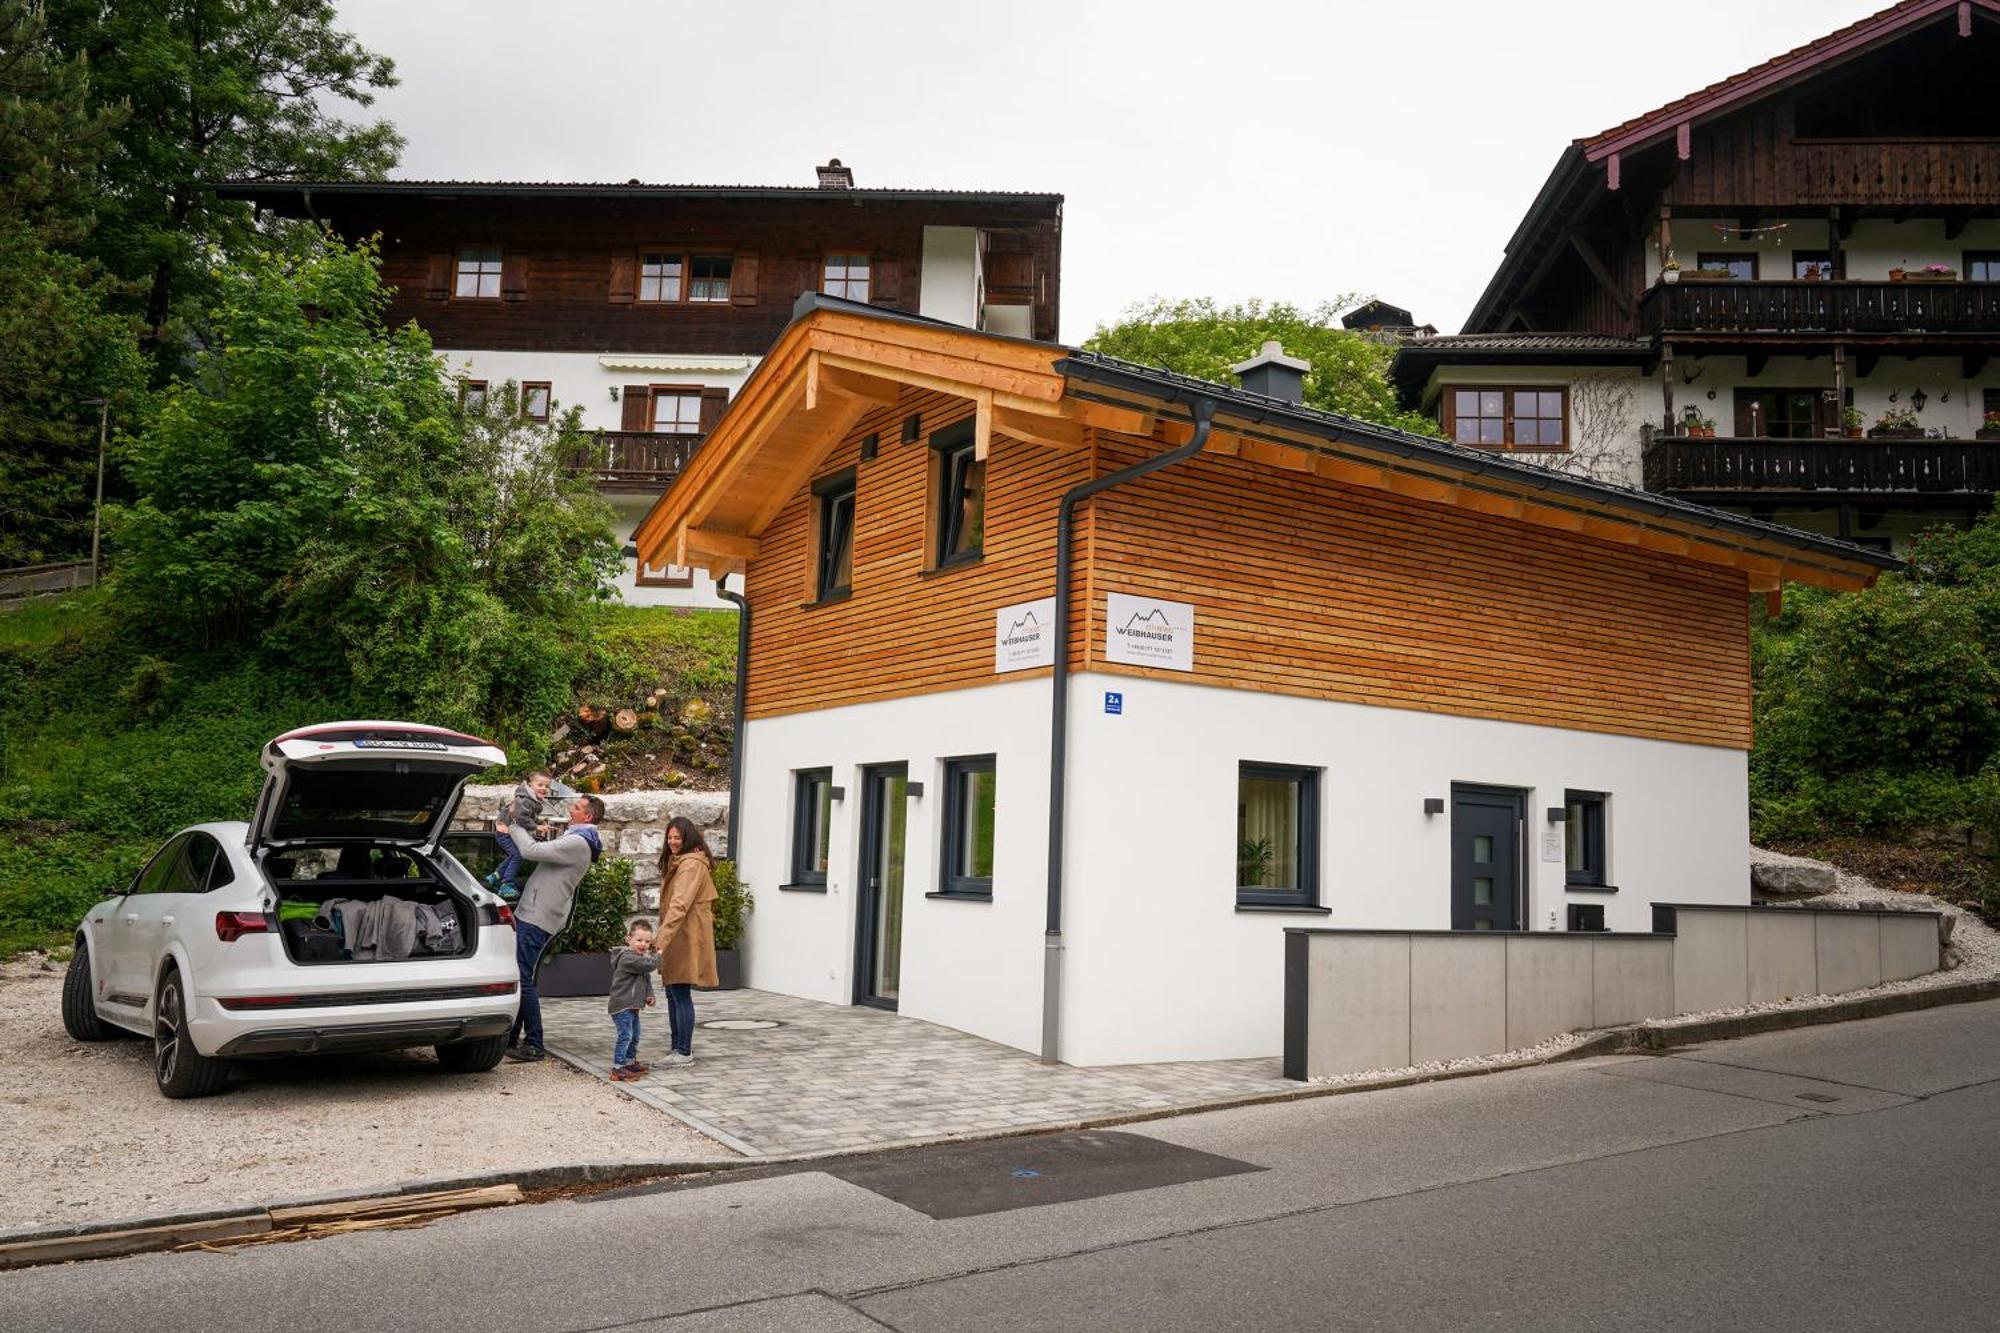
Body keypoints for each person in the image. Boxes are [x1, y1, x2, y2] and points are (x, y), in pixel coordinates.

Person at [500, 794, 605, 1062]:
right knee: (526, 975)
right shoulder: (577, 839)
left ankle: (534, 1043)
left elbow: (530, 851)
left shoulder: (578, 843)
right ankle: (513, 1037)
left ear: (588, 817)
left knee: (524, 976)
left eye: (578, 808)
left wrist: (514, 824)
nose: (572, 809)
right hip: (539, 912)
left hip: (539, 916)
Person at [654, 816, 718, 1068]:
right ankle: (677, 1048)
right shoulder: (681, 862)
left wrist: (662, 938)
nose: (672, 842)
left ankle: (683, 1051)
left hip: (684, 935)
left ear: (688, 838)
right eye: (669, 838)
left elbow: (679, 905)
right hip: (679, 934)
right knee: (673, 991)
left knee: (679, 993)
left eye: (677, 838)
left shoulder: (691, 865)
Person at [607, 920, 660, 1082]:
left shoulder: (638, 959)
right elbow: (649, 965)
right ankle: (618, 1067)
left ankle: (629, 1062)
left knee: (635, 1035)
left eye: (647, 941)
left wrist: (649, 995)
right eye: (639, 940)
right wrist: (659, 955)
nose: (643, 944)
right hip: (622, 1005)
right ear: (628, 939)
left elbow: (646, 978)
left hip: (633, 1006)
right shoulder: (627, 958)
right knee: (626, 1035)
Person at [487, 771, 553, 901]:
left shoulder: (532, 799)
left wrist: (539, 822)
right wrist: (536, 827)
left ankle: (496, 876)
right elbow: (521, 818)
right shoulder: (524, 799)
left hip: (507, 831)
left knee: (514, 855)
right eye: (540, 785)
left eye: (546, 786)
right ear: (530, 785)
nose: (544, 789)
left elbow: (530, 816)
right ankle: (507, 883)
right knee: (517, 855)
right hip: (505, 832)